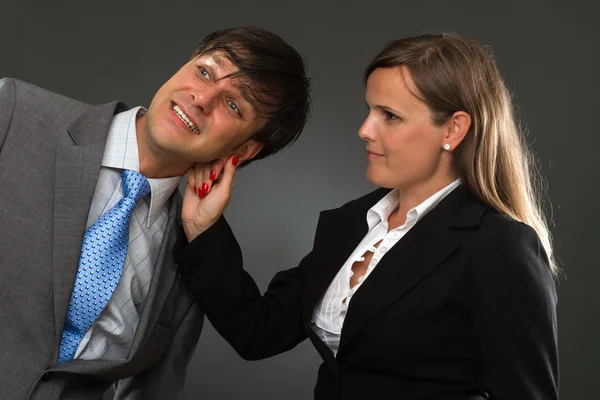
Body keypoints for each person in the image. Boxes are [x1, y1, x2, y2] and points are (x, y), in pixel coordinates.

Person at [175, 32, 559, 399]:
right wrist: (203, 226)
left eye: (390, 116)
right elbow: (258, 332)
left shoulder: (498, 245)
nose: (364, 130)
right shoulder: (350, 224)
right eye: (370, 110)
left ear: (454, 129)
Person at [0, 26, 311, 399]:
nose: (202, 97)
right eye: (205, 71)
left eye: (233, 105)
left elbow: (151, 390)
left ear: (243, 151)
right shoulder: (15, 112)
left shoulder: (193, 259)